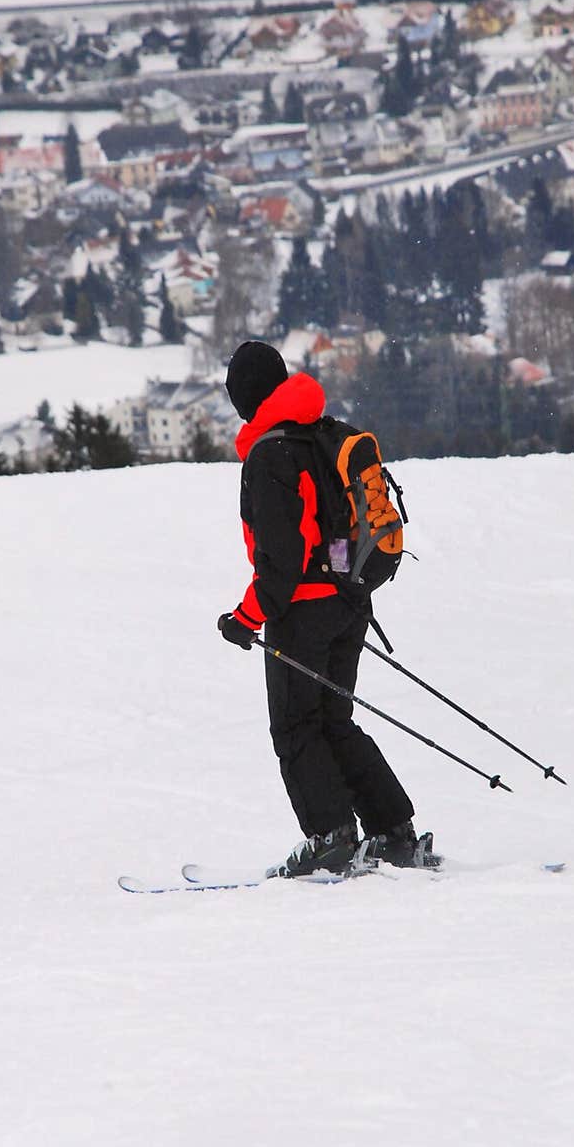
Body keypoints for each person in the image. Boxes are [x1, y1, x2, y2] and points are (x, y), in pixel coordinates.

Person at [217, 339, 436, 878]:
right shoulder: (322, 432)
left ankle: (330, 837)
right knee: (335, 720)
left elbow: (282, 561)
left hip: (303, 612)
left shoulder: (271, 453)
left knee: (295, 727)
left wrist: (245, 619)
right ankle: (393, 832)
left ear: (245, 396)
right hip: (349, 601)